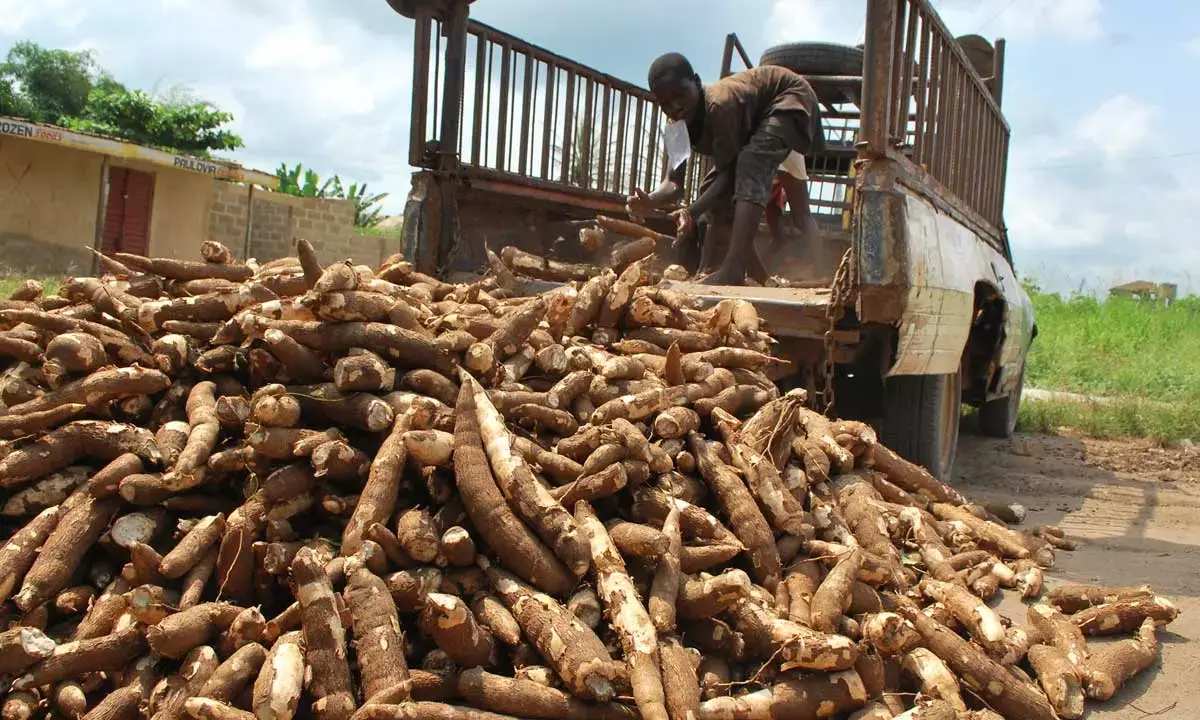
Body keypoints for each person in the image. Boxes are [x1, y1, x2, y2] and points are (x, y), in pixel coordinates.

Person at [626, 53, 824, 285]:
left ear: (697, 82)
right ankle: (759, 276)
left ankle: (734, 268)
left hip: (788, 98)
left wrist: (691, 212)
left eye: (681, 95)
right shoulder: (676, 126)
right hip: (753, 126)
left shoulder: (720, 105)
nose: (675, 107)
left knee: (751, 162)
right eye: (666, 103)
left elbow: (732, 173)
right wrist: (650, 200)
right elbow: (673, 183)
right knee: (712, 192)